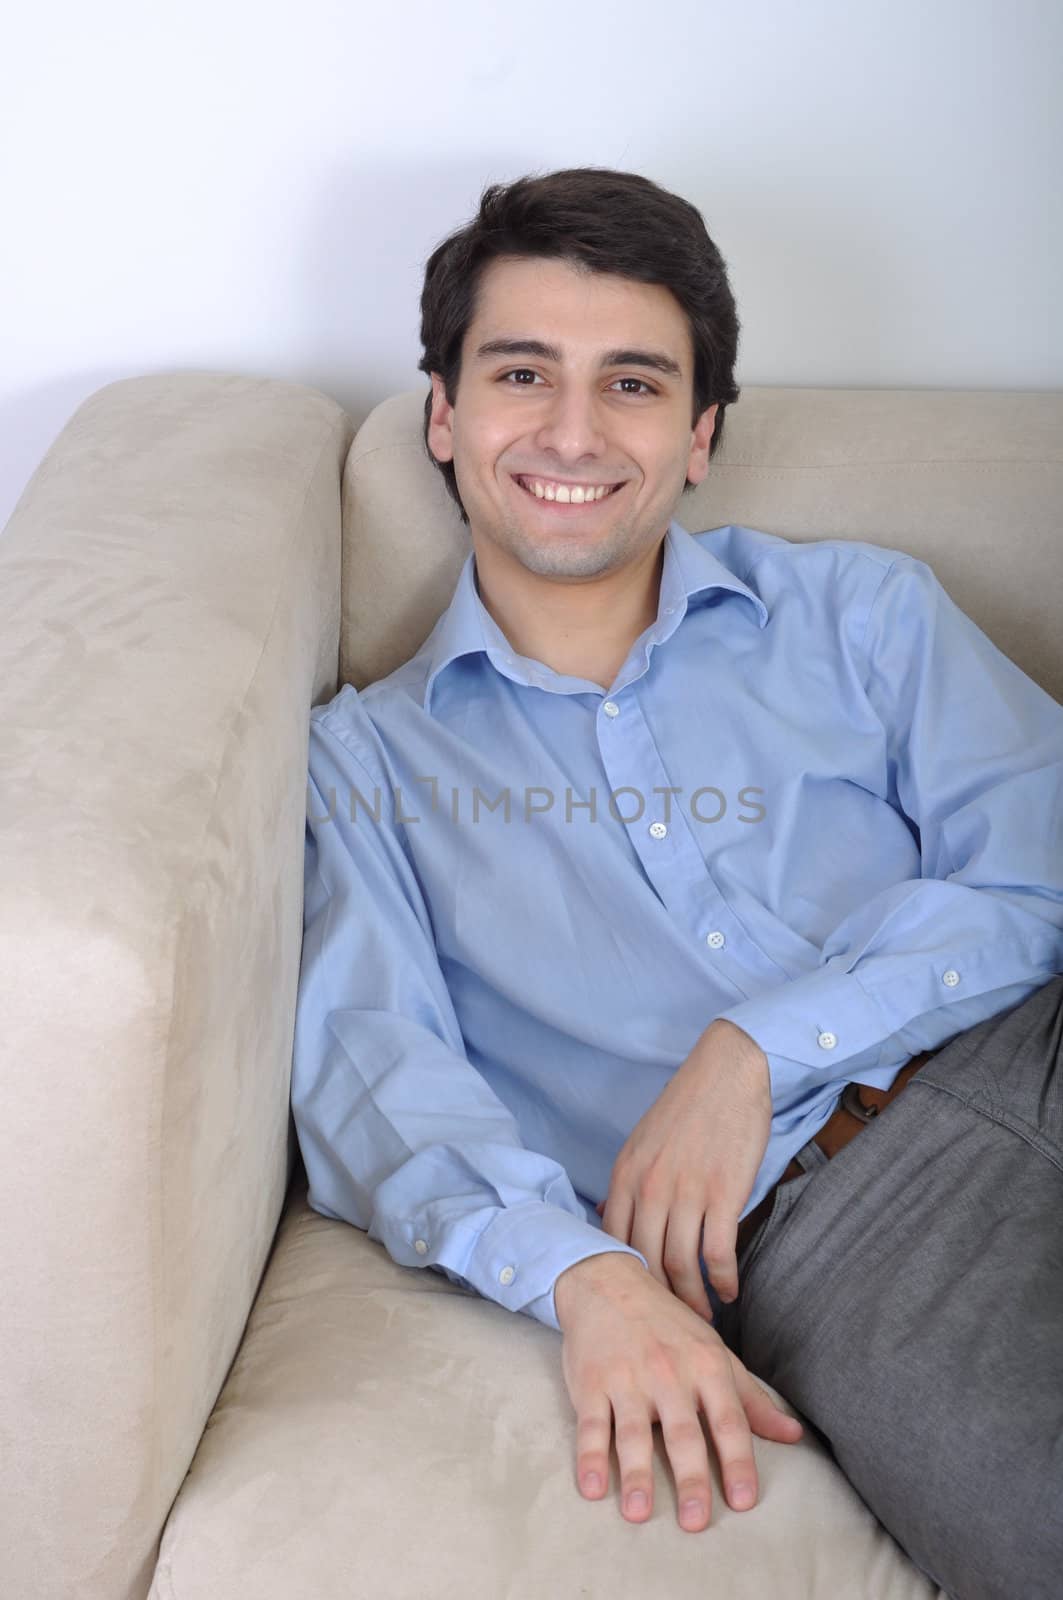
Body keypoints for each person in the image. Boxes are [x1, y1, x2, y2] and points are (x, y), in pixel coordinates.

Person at [290, 167, 1063, 1596]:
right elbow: (375, 1082)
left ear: (700, 434)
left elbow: (1044, 859)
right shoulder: (364, 767)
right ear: (444, 419)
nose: (574, 431)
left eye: (633, 384)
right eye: (524, 372)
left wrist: (755, 1048)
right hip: (846, 1236)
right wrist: (587, 1278)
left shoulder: (863, 614)